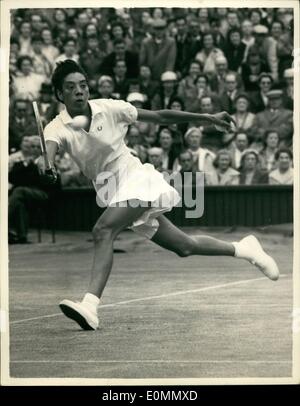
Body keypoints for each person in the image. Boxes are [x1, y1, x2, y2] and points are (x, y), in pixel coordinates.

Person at [38, 60, 279, 331]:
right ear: (60, 94)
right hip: (110, 191)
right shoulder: (55, 127)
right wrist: (47, 165)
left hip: (135, 178)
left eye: (83, 85)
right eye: (70, 88)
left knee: (103, 230)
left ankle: (90, 306)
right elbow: (49, 152)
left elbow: (161, 116)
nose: (79, 92)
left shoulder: (110, 108)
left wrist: (207, 118)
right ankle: (245, 249)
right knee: (184, 246)